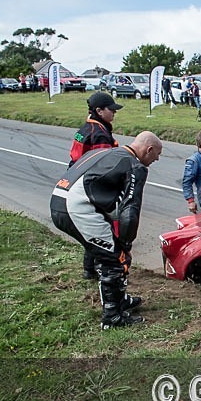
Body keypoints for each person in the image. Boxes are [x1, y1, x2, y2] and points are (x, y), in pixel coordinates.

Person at [50, 131, 163, 330]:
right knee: (115, 258)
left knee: (111, 253)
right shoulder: (135, 166)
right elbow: (130, 210)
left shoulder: (109, 152)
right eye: (157, 155)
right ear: (149, 149)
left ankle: (120, 300)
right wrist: (126, 244)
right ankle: (111, 316)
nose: (157, 159)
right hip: (76, 208)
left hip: (60, 199)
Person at [69, 92, 124, 279]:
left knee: (91, 229)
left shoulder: (86, 128)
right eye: (111, 110)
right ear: (99, 111)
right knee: (100, 229)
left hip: (77, 178)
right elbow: (104, 166)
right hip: (92, 186)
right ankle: (96, 268)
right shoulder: (99, 134)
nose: (114, 113)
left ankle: (89, 269)